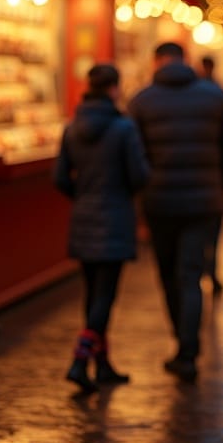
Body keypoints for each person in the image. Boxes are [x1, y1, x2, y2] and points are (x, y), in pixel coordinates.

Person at [128, 42, 223, 382]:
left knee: (167, 275)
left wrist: (141, 198)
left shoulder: (142, 100)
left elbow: (134, 157)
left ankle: (182, 341)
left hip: (159, 202)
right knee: (191, 274)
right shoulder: (214, 96)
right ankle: (189, 351)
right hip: (204, 201)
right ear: (185, 60)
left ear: (156, 61)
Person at [54, 63, 150, 393]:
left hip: (83, 216)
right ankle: (80, 361)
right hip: (115, 218)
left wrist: (81, 195)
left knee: (92, 293)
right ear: (113, 88)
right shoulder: (123, 128)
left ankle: (103, 364)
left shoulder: (71, 127)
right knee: (105, 297)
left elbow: (59, 177)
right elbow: (139, 175)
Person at [198, 53, 223, 295]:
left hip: (193, 181)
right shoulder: (218, 93)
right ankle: (212, 271)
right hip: (212, 180)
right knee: (213, 233)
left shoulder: (191, 96)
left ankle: (201, 269)